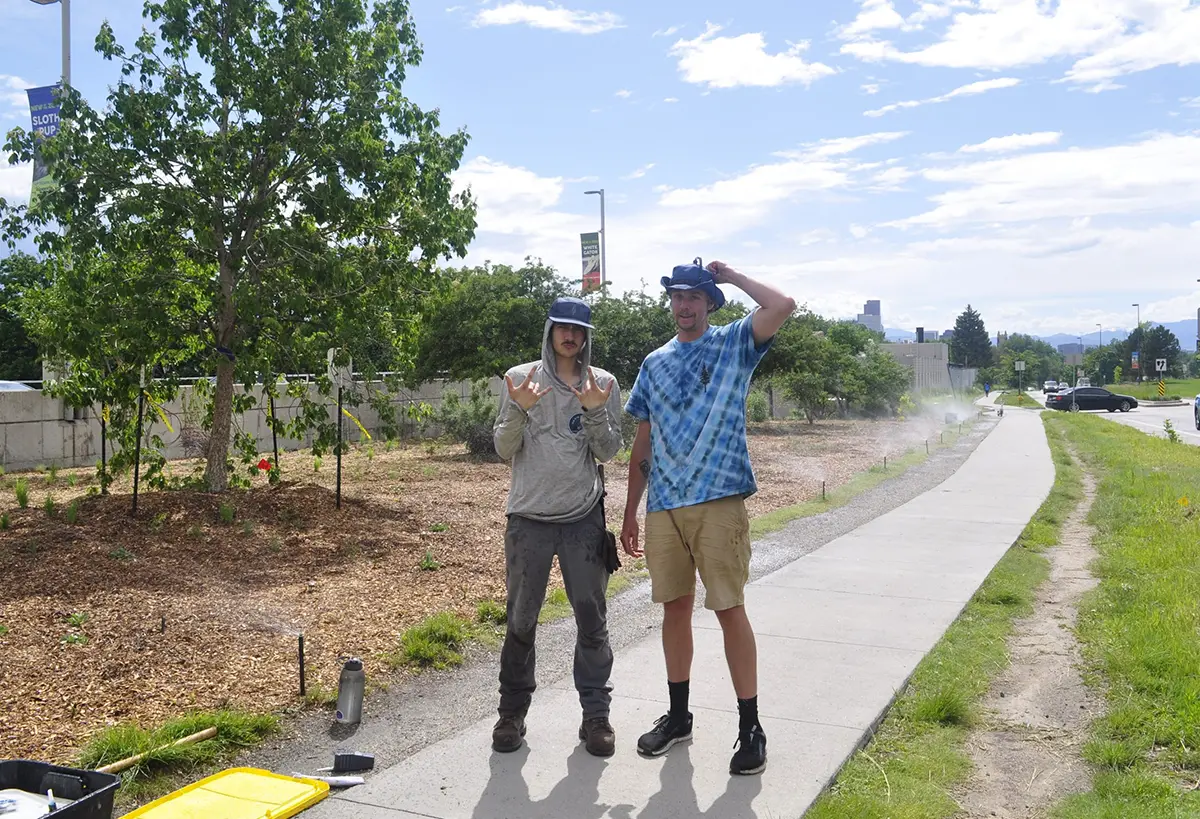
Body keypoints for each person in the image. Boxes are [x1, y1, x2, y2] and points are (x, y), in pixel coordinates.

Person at [620, 259, 795, 776]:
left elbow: (782, 306)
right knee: (674, 611)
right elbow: (642, 440)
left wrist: (733, 276)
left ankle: (751, 727)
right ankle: (678, 717)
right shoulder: (654, 363)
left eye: (695, 296)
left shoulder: (734, 344)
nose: (685, 305)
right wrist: (630, 510)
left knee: (728, 609)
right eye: (677, 296)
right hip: (665, 506)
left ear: (710, 303)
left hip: (719, 498)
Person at [491, 296, 624, 757]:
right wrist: (518, 409)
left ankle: (596, 716)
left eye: (579, 329)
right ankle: (511, 713)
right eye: (562, 327)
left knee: (592, 620)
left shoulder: (603, 384)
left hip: (583, 518)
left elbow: (608, 451)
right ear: (549, 330)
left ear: (587, 335)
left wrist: (593, 410)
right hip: (528, 519)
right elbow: (503, 449)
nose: (570, 335)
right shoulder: (518, 379)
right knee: (521, 619)